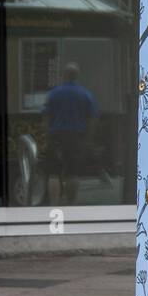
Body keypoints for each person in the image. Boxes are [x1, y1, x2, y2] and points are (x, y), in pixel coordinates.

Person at [44, 62, 98, 205]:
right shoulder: (86, 95)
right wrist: (88, 139)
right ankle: (70, 204)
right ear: (77, 76)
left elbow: (46, 117)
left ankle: (54, 204)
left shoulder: (54, 94)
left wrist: (47, 136)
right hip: (77, 137)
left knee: (54, 173)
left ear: (64, 75)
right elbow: (92, 119)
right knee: (73, 173)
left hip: (56, 135)